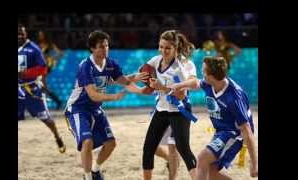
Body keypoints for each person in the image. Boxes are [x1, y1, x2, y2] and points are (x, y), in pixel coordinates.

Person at [64, 30, 148, 180]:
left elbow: (124, 81)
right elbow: (93, 95)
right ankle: (87, 176)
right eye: (101, 47)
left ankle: (96, 170)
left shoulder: (110, 64)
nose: (105, 49)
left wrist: (139, 81)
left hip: (95, 108)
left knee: (111, 143)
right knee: (87, 141)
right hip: (78, 108)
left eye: (107, 46)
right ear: (92, 48)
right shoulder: (86, 66)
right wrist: (115, 96)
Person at [170, 56, 258, 180]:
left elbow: (247, 131)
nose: (202, 74)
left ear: (210, 77)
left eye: (203, 71)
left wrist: (254, 164)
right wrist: (179, 85)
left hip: (234, 133)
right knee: (212, 173)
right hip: (222, 130)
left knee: (202, 158)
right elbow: (196, 83)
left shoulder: (234, 98)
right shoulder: (210, 83)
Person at [139, 29, 198, 180]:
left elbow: (182, 95)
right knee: (148, 148)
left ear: (176, 48)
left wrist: (162, 88)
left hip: (180, 110)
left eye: (167, 48)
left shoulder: (180, 67)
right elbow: (143, 71)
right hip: (162, 109)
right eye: (161, 46)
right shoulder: (156, 60)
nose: (163, 51)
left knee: (182, 148)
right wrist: (140, 79)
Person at [18, 24, 66, 153]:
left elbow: (43, 68)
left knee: (46, 119)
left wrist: (26, 73)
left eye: (21, 33)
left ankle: (57, 136)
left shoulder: (34, 49)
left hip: (31, 88)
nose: (19, 36)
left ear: (25, 34)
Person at [37, 30, 63, 109]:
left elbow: (60, 53)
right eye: (39, 35)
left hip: (46, 67)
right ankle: (57, 101)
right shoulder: (38, 45)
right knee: (42, 86)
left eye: (41, 34)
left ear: (45, 35)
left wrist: (51, 59)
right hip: (39, 67)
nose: (40, 36)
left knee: (42, 85)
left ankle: (44, 104)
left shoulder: (49, 45)